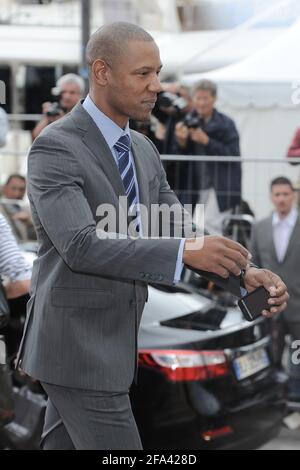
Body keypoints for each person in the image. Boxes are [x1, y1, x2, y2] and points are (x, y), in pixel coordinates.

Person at [17, 22, 288, 450]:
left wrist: (243, 275)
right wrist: (186, 251)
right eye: (143, 73)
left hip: (113, 345)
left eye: (157, 72)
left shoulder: (143, 148)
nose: (157, 85)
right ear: (102, 72)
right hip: (79, 351)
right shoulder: (57, 146)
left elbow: (177, 224)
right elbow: (81, 245)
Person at [251, 177, 300, 401]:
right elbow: (253, 266)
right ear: (271, 197)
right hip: (270, 307)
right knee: (271, 356)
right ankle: (276, 403)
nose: (281, 199)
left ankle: (296, 403)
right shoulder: (260, 227)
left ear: (293, 195)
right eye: (277, 194)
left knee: (297, 359)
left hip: (299, 308)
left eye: (285, 194)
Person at [173, 80, 241, 228]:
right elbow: (179, 156)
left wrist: (206, 141)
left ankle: (214, 252)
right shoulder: (186, 121)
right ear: (193, 99)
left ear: (214, 99)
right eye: (198, 98)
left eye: (205, 98)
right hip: (195, 185)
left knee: (210, 226)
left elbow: (233, 155)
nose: (201, 103)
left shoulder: (226, 124)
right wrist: (181, 141)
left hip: (220, 186)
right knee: (191, 227)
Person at [32, 73, 85, 140]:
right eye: (63, 92)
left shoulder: (84, 113)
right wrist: (46, 119)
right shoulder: (54, 110)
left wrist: (62, 120)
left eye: (72, 92)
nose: (67, 96)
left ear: (80, 94)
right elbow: (36, 136)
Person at [1, 174, 36, 241]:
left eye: (21, 189)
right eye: (13, 188)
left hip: (26, 247)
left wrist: (29, 223)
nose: (17, 194)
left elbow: (37, 239)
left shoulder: (28, 209)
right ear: (5, 188)